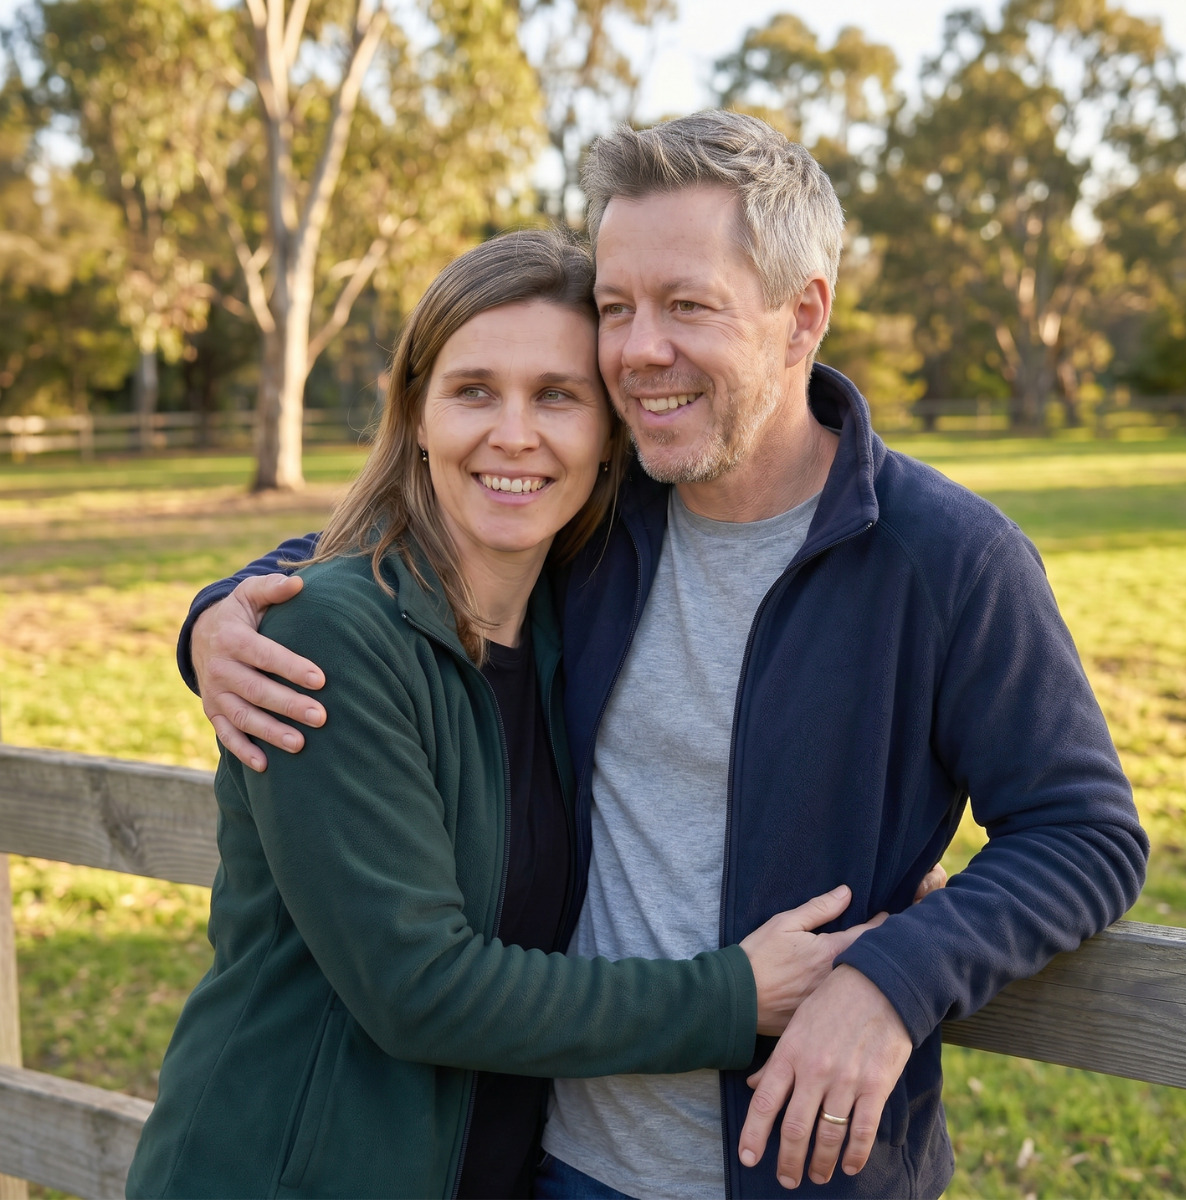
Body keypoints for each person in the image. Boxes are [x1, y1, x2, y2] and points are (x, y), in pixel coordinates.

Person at [179, 113, 1148, 1199]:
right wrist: (223, 611)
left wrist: (895, 979)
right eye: (616, 308)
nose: (640, 350)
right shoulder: (601, 510)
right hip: (550, 1161)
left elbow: (1086, 835)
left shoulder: (949, 560)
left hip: (805, 1170)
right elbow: (415, 532)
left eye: (688, 305)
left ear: (801, 316)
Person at [128, 228, 901, 1200]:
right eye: (474, 391)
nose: (515, 433)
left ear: (609, 430)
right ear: (416, 413)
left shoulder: (568, 626)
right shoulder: (322, 639)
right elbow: (421, 990)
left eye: (558, 397)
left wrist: (911, 888)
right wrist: (735, 996)